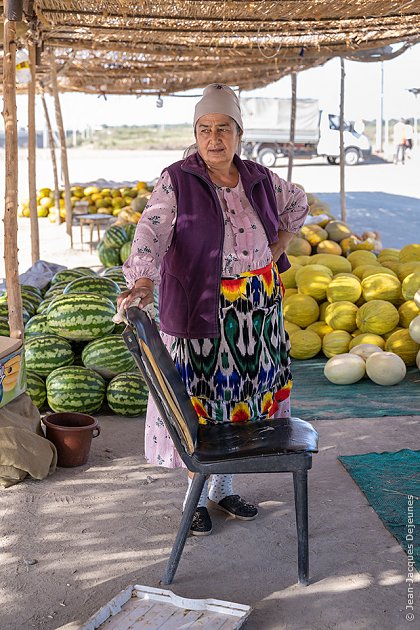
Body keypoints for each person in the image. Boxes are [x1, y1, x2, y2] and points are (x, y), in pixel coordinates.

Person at [120, 84, 309, 536]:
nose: (214, 138)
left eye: (223, 129)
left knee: (243, 399)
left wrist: (279, 243)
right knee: (201, 401)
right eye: (205, 130)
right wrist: (143, 279)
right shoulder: (177, 179)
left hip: (257, 312)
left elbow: (297, 201)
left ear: (239, 133)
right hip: (202, 306)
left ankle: (222, 489)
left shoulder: (260, 177)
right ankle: (194, 497)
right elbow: (151, 232)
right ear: (196, 135)